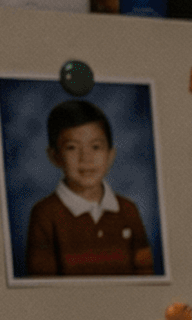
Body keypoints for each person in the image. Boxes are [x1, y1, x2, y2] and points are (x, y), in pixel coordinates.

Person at [25, 99, 155, 278]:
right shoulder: (45, 214)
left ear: (110, 155)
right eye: (72, 148)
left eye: (96, 147)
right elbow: (40, 285)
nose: (86, 158)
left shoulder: (128, 210)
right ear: (54, 156)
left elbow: (146, 273)